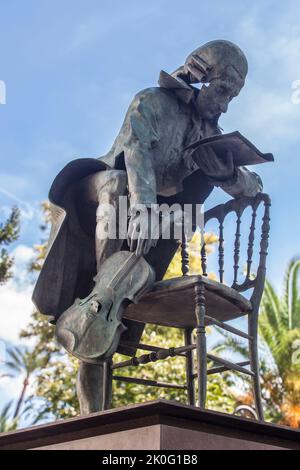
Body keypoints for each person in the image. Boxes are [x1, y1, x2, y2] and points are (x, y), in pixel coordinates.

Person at [33, 40, 263, 414]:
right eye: (221, 90)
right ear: (200, 76)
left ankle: (104, 316)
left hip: (150, 225)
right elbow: (135, 153)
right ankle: (101, 293)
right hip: (103, 198)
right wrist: (142, 209)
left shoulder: (211, 135)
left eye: (231, 97)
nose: (224, 104)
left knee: (113, 313)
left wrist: (230, 175)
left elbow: (254, 186)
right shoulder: (151, 101)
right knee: (118, 185)